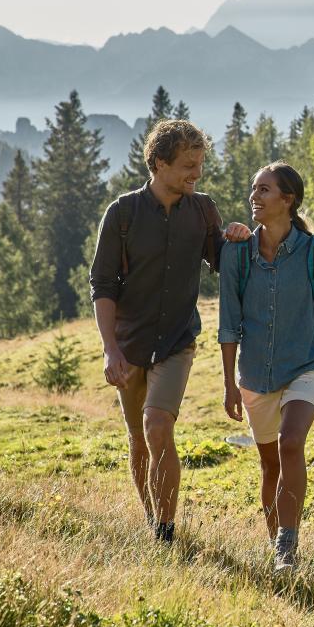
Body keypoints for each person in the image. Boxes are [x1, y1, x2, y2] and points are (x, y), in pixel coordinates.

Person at [89, 119, 251, 543]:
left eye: (199, 164)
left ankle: (165, 531)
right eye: (187, 166)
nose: (196, 174)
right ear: (159, 163)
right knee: (138, 439)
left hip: (178, 341)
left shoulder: (202, 210)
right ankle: (151, 518)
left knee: (158, 424)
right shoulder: (123, 214)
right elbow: (102, 286)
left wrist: (237, 238)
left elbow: (224, 262)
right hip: (129, 344)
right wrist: (110, 349)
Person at [219, 161, 314, 571]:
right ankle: (277, 547)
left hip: (306, 366)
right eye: (254, 188)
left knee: (290, 443)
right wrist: (229, 383)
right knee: (270, 464)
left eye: (264, 189)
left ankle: (286, 548)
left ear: (288, 200)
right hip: (255, 375)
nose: (254, 196)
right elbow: (228, 324)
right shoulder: (237, 253)